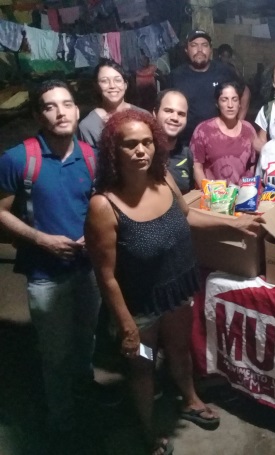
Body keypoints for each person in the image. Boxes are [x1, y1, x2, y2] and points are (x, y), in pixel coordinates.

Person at [85, 109, 261, 455]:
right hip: (139, 310)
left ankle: (190, 400)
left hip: (177, 293)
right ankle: (148, 431)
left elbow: (188, 214)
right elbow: (105, 275)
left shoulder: (163, 178)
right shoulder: (104, 206)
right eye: (130, 144)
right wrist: (126, 325)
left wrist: (234, 224)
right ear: (113, 151)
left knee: (180, 350)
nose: (141, 150)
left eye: (147, 142)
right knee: (143, 366)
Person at [0, 80, 107, 445]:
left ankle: (84, 393)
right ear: (38, 114)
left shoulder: (91, 157)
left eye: (67, 104)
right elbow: (1, 211)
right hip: (45, 274)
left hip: (86, 267)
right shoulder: (19, 159)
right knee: (55, 352)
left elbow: (98, 205)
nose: (61, 112)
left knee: (86, 338)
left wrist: (92, 235)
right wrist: (40, 239)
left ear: (78, 110)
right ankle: (62, 421)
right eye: (50, 106)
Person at [169, 30, 250, 143]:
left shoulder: (224, 71)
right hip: (185, 143)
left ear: (210, 50)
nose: (200, 50)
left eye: (204, 45)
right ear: (186, 50)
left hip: (220, 141)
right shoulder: (176, 76)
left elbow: (245, 91)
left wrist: (239, 123)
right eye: (194, 45)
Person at [190, 81, 259, 186]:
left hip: (243, 193)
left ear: (239, 103)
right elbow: (197, 167)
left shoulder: (248, 129)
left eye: (234, 99)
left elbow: (252, 165)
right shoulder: (203, 130)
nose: (230, 105)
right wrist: (208, 192)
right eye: (224, 100)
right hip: (215, 194)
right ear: (217, 103)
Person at [78, 58, 147, 148]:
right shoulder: (88, 125)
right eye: (104, 81)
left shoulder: (144, 116)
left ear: (125, 85)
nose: (112, 86)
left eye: (117, 80)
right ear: (96, 86)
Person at [153, 89, 195, 194]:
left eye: (181, 114)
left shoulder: (186, 154)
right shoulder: (143, 152)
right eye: (168, 111)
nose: (175, 118)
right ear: (155, 113)